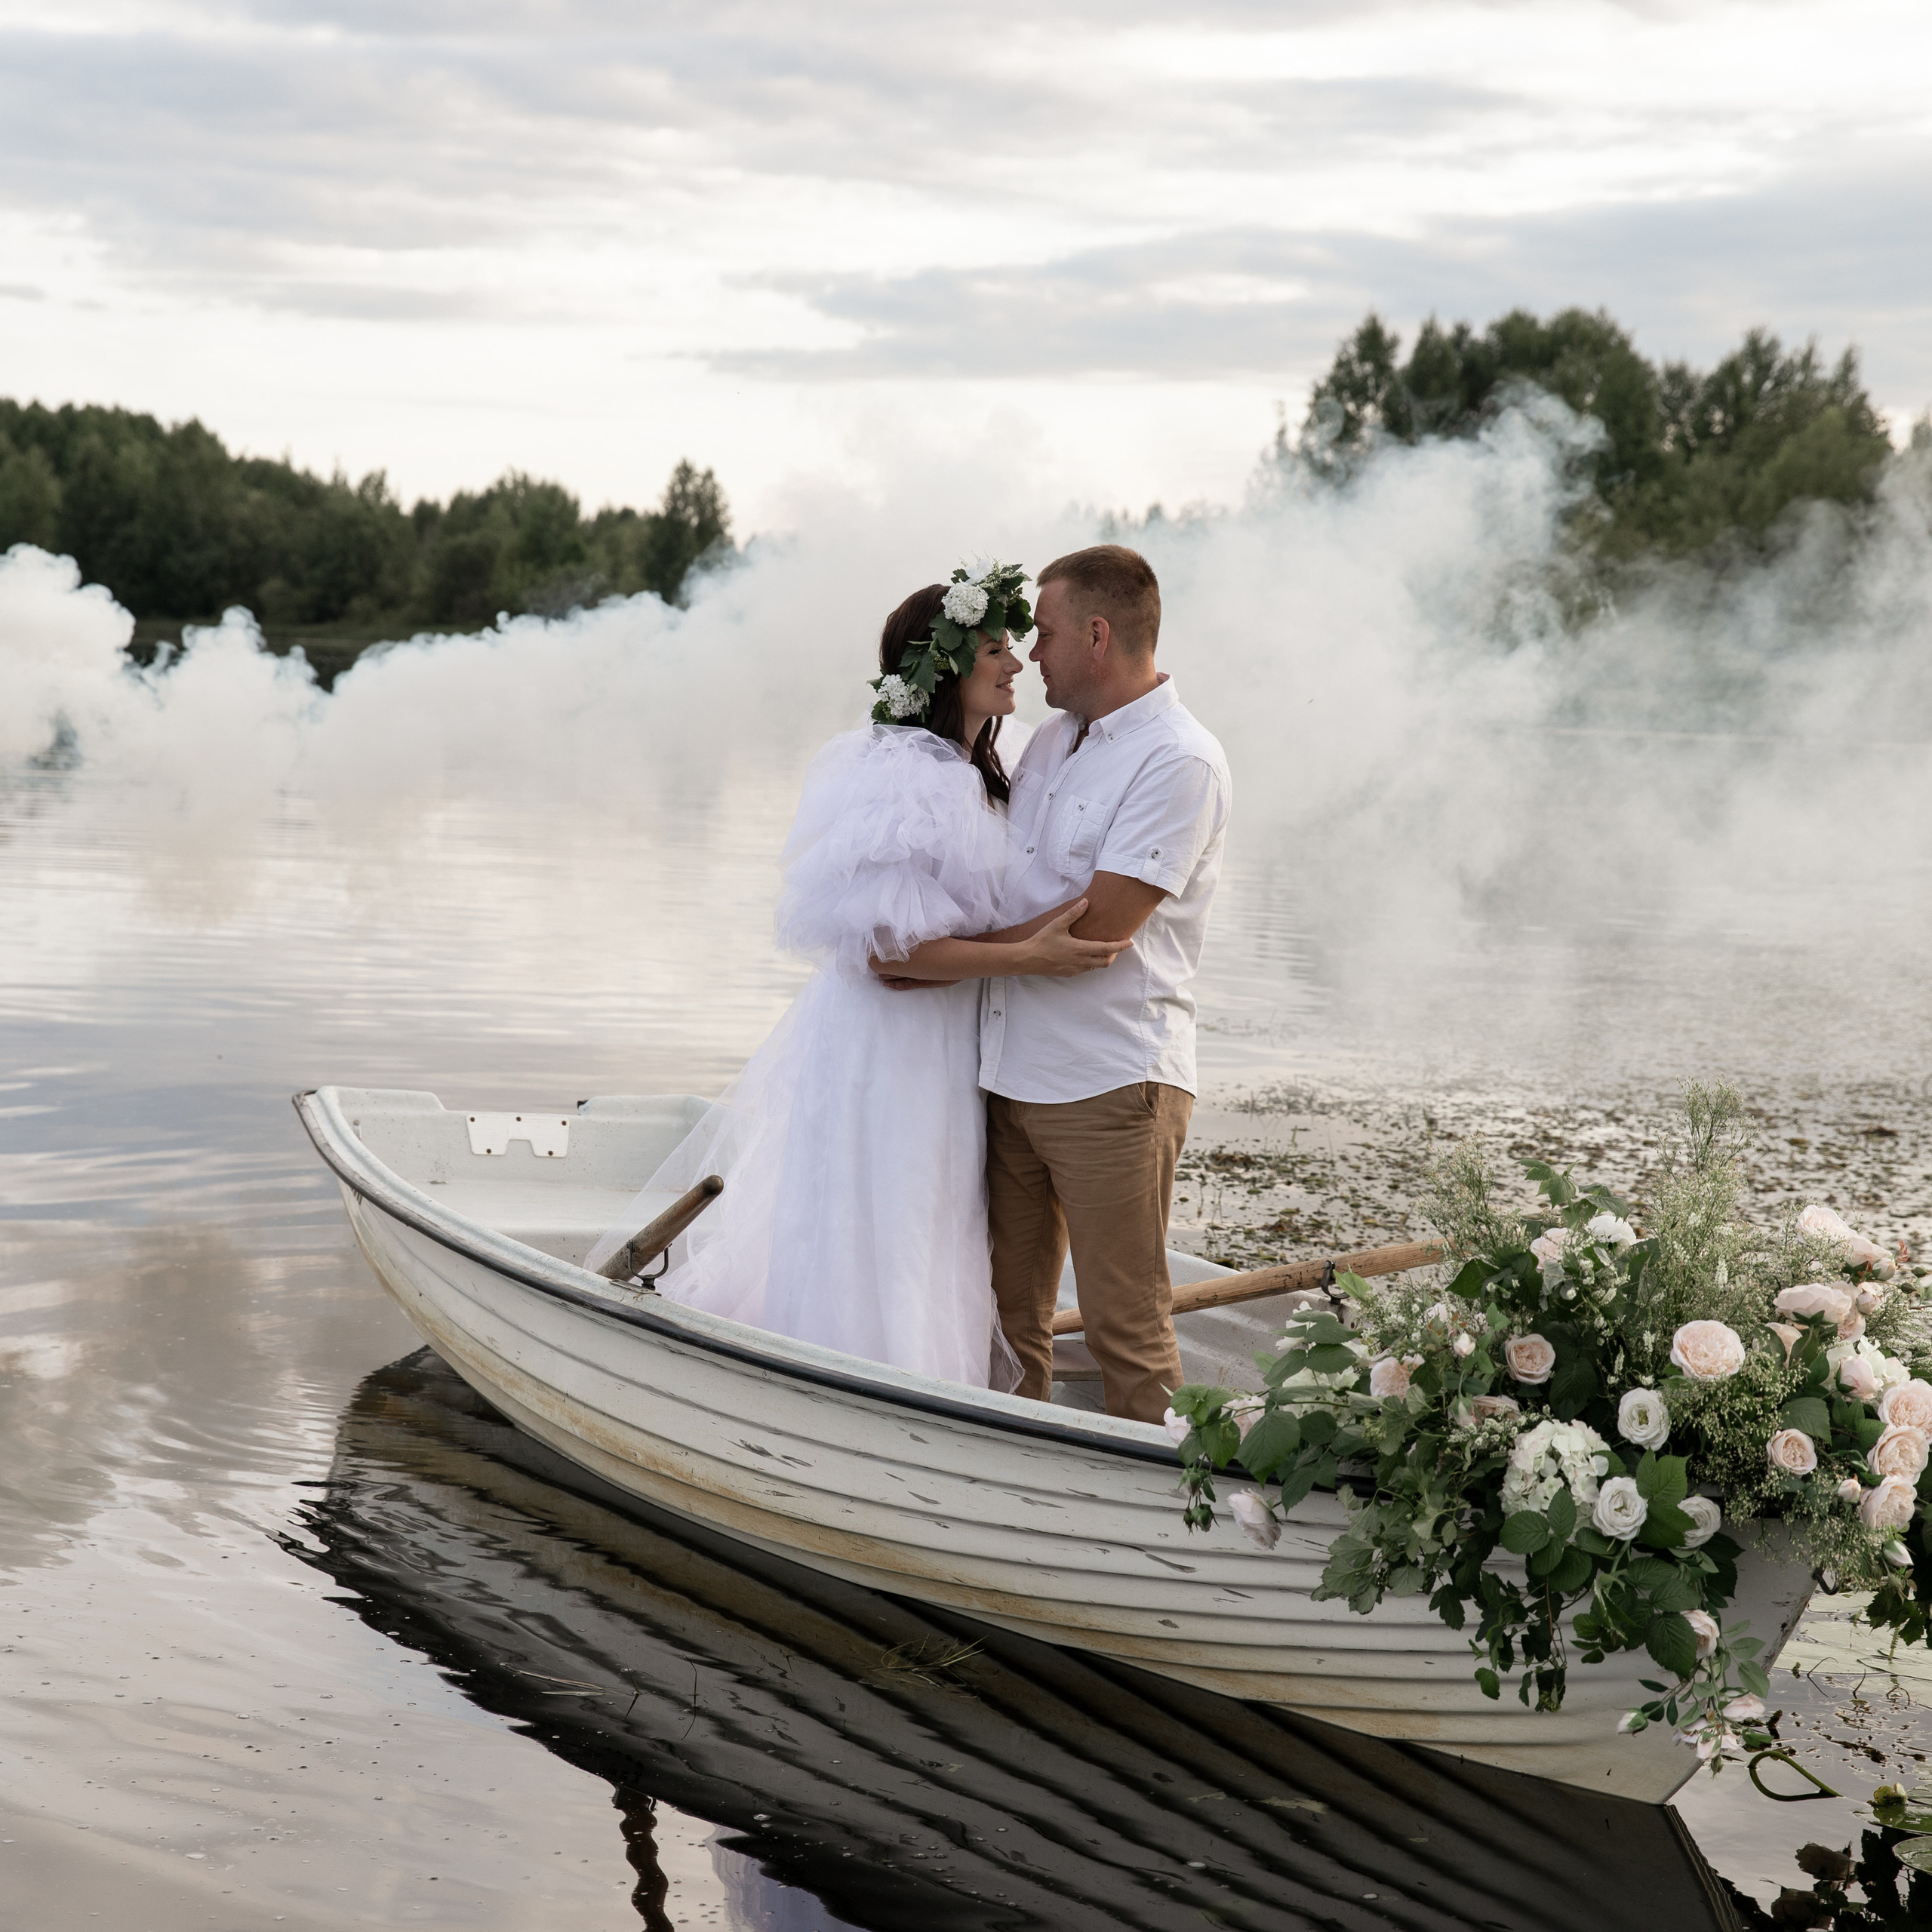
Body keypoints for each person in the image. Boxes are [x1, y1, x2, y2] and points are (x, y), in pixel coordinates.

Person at [586, 565, 1121, 1388]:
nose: (1015, 663)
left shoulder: (983, 768)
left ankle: (930, 1383)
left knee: (934, 1210)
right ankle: (869, 1378)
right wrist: (1027, 957)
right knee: (888, 1204)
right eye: (994, 650)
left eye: (1016, 647)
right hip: (890, 1040)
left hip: (948, 1036)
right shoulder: (907, 774)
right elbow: (886, 954)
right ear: (944, 667)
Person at [878, 545, 1230, 1423]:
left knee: (1124, 1326)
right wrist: (939, 952)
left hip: (1106, 1084)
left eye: (1044, 633)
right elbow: (1014, 900)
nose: (1031, 653)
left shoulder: (1177, 760)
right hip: (1007, 1079)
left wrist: (938, 956)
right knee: (1003, 1326)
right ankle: (1008, 1478)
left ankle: (1157, 1498)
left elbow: (1095, 931)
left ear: (1097, 636)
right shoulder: (1047, 743)